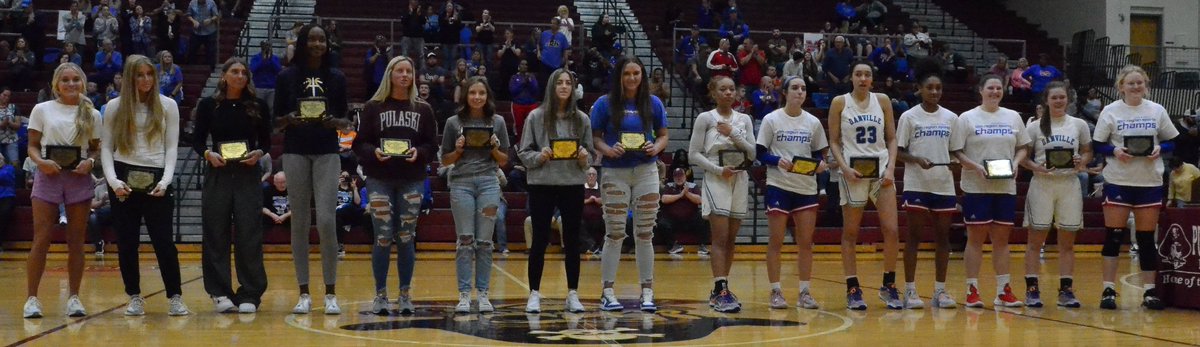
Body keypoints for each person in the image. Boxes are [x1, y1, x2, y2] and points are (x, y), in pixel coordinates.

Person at [100, 55, 187, 316]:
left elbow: (171, 148)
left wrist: (165, 180)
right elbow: (106, 147)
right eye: (140, 75)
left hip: (157, 177)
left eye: (150, 74)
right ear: (130, 77)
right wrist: (113, 181)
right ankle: (134, 296)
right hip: (122, 176)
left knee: (163, 242)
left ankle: (175, 296)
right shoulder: (114, 106)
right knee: (127, 242)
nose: (146, 80)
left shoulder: (169, 105)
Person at [273, 23, 350, 315]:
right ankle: (303, 292)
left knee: (328, 222)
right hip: (295, 152)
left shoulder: (337, 77)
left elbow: (346, 121)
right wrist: (290, 118)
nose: (317, 44)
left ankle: (331, 292)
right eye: (312, 39)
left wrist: (335, 123)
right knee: (300, 223)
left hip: (327, 153)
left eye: (322, 40)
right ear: (303, 43)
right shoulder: (286, 76)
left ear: (328, 45)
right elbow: (276, 120)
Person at [353, 55, 438, 315]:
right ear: (390, 74)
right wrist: (374, 152)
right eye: (399, 71)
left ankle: (404, 295)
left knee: (405, 238)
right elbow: (359, 144)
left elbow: (431, 146)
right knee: (382, 237)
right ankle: (380, 295)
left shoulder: (423, 109)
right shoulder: (373, 107)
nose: (404, 75)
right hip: (379, 179)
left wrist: (419, 154)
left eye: (408, 71)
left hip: (412, 180)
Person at [1093, 65, 1177, 310]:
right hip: (1119, 180)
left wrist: (1162, 149)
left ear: (1145, 85)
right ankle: (1108, 289)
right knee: (1114, 236)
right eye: (1131, 83)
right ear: (1121, 86)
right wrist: (1115, 150)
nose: (1136, 87)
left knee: (1146, 238)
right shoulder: (1110, 111)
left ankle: (1149, 291)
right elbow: (1098, 144)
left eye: (1139, 82)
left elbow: (1172, 140)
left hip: (1149, 181)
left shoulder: (1157, 110)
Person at [192, 57, 271, 314]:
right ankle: (219, 292)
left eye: (243, 73)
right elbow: (197, 140)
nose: (239, 76)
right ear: (224, 75)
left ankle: (250, 292)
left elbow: (267, 141)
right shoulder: (208, 105)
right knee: (216, 231)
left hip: (248, 173)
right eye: (234, 72)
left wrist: (258, 153)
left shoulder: (257, 105)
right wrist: (207, 155)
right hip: (219, 172)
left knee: (249, 232)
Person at [590, 56, 669, 312]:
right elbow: (595, 138)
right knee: (614, 233)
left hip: (646, 170)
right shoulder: (605, 103)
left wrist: (654, 147)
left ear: (642, 76)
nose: (632, 78)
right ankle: (607, 291)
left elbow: (663, 135)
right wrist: (607, 150)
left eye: (637, 73)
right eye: (627, 73)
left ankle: (648, 291)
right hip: (615, 172)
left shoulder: (653, 103)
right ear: (620, 76)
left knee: (645, 234)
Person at [22, 66, 99, 319]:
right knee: (41, 239)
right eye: (65, 80)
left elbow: (95, 150)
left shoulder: (92, 113)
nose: (71, 84)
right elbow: (32, 146)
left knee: (76, 241)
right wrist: (41, 163)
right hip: (48, 175)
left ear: (83, 83)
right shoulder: (41, 109)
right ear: (56, 84)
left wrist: (90, 162)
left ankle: (74, 298)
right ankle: (32, 299)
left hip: (78, 179)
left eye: (76, 79)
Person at [949, 74, 1031, 308]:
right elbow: (957, 151)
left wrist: (1015, 164)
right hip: (976, 187)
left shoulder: (1013, 117)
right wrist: (976, 168)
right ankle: (971, 290)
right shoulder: (967, 118)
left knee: (1002, 241)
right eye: (990, 88)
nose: (995, 92)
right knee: (975, 239)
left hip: (1005, 187)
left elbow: (1023, 147)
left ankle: (1003, 290)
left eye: (998, 88)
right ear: (981, 90)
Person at [516, 68, 592, 313]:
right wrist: (540, 156)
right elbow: (523, 153)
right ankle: (534, 293)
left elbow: (590, 156)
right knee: (539, 240)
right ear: (551, 86)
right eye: (559, 82)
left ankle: (572, 293)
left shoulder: (582, 119)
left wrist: (583, 156)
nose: (563, 86)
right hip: (542, 184)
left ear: (573, 87)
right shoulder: (535, 117)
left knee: (571, 240)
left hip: (572, 184)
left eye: (568, 82)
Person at [828, 61, 900, 310]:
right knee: (851, 232)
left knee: (891, 230)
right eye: (858, 74)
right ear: (851, 77)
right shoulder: (840, 102)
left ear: (872, 79)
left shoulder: (882, 101)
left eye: (867, 74)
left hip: (881, 172)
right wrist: (844, 168)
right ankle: (853, 287)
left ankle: (888, 285)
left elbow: (891, 138)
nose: (862, 78)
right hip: (853, 173)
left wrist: (890, 168)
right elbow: (834, 141)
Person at [757, 76, 828, 310]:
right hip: (779, 185)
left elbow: (820, 155)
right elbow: (760, 153)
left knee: (806, 242)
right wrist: (778, 160)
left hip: (806, 188)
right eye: (795, 88)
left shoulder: (813, 122)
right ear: (785, 92)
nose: (800, 92)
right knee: (776, 241)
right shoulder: (771, 119)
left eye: (803, 88)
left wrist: (820, 165)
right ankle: (775, 290)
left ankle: (804, 292)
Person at [1020, 81, 1092, 308]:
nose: (1059, 101)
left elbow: (1087, 151)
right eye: (1054, 98)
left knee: (1067, 242)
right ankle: (1032, 290)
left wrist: (1082, 162)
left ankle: (1066, 290)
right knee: (1035, 241)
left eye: (1062, 97)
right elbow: (1023, 156)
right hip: (1042, 183)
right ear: (1047, 101)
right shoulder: (1033, 127)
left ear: (1068, 99)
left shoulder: (1079, 124)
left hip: (1069, 184)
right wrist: (1037, 168)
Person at [441, 76, 509, 313]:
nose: (477, 97)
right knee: (465, 240)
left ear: (487, 96)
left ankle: (483, 294)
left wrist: (494, 148)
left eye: (481, 93)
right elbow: (444, 159)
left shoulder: (497, 121)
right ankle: (463, 295)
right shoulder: (453, 122)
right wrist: (458, 150)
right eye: (472, 93)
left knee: (485, 242)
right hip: (461, 183)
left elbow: (504, 159)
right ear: (465, 96)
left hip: (489, 182)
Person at [688, 75, 755, 313]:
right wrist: (718, 170)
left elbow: (753, 152)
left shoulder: (744, 119)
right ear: (713, 93)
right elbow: (693, 154)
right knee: (720, 237)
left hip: (739, 177)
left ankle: (721, 288)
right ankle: (721, 288)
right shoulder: (705, 118)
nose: (728, 93)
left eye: (731, 89)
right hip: (717, 177)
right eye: (723, 89)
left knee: (731, 238)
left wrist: (733, 133)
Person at [895, 67, 958, 309]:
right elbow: (899, 151)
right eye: (929, 87)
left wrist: (954, 162)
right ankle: (910, 291)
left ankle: (940, 291)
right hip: (917, 185)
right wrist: (917, 159)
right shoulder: (909, 117)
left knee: (943, 238)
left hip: (943, 185)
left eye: (938, 88)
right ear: (919, 89)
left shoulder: (951, 118)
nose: (934, 91)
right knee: (914, 237)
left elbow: (955, 151)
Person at [658, 167, 708, 256]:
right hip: (673, 220)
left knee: (704, 218)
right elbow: (664, 199)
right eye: (676, 176)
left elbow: (699, 200)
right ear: (673, 177)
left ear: (685, 176)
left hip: (690, 219)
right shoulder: (669, 185)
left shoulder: (693, 186)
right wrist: (681, 195)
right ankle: (673, 246)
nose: (679, 178)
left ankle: (702, 245)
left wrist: (687, 194)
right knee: (662, 223)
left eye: (681, 176)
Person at [509, 60, 539, 143]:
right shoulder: (514, 77)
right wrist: (523, 83)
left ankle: (532, 142)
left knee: (532, 125)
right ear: (519, 66)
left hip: (531, 104)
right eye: (522, 64)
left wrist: (529, 82)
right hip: (518, 104)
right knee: (519, 126)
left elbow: (535, 90)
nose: (524, 66)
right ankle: (520, 142)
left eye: (526, 64)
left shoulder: (532, 77)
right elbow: (513, 91)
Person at [250, 40, 282, 112]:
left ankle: (271, 122)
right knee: (258, 107)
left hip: (272, 88)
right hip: (259, 87)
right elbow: (253, 69)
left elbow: (278, 70)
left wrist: (271, 59)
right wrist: (263, 60)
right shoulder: (256, 58)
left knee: (271, 108)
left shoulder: (275, 58)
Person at [186, 0, 220, 67]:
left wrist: (210, 20)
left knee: (210, 51)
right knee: (192, 50)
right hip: (196, 31)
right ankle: (191, 67)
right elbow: (188, 15)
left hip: (210, 31)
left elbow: (216, 15)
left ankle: (210, 68)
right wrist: (193, 21)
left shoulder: (211, 2)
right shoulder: (192, 2)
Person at [538, 18, 569, 85]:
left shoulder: (562, 37)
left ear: (558, 26)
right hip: (544, 63)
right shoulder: (544, 34)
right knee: (543, 84)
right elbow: (538, 44)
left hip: (556, 64)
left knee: (554, 84)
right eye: (551, 23)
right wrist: (538, 52)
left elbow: (565, 49)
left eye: (554, 23)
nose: (552, 25)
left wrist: (565, 61)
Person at [0, 89, 22, 165]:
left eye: (8, 96)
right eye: (4, 95)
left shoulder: (14, 107)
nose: (6, 98)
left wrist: (9, 123)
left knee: (15, 163)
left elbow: (18, 125)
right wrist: (2, 125)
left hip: (11, 140)